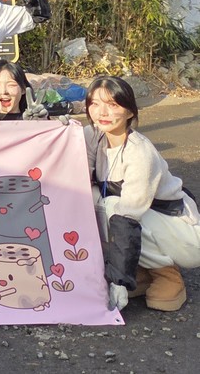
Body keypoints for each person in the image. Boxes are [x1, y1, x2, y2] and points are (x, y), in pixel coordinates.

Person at [85, 75, 200, 312]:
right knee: (90, 197)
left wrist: (118, 280)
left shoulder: (140, 153)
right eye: (95, 103)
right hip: (142, 219)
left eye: (112, 104)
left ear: (129, 111)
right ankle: (140, 272)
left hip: (178, 231)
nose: (102, 112)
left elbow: (127, 217)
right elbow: (69, 155)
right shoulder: (94, 136)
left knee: (110, 206)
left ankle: (167, 275)